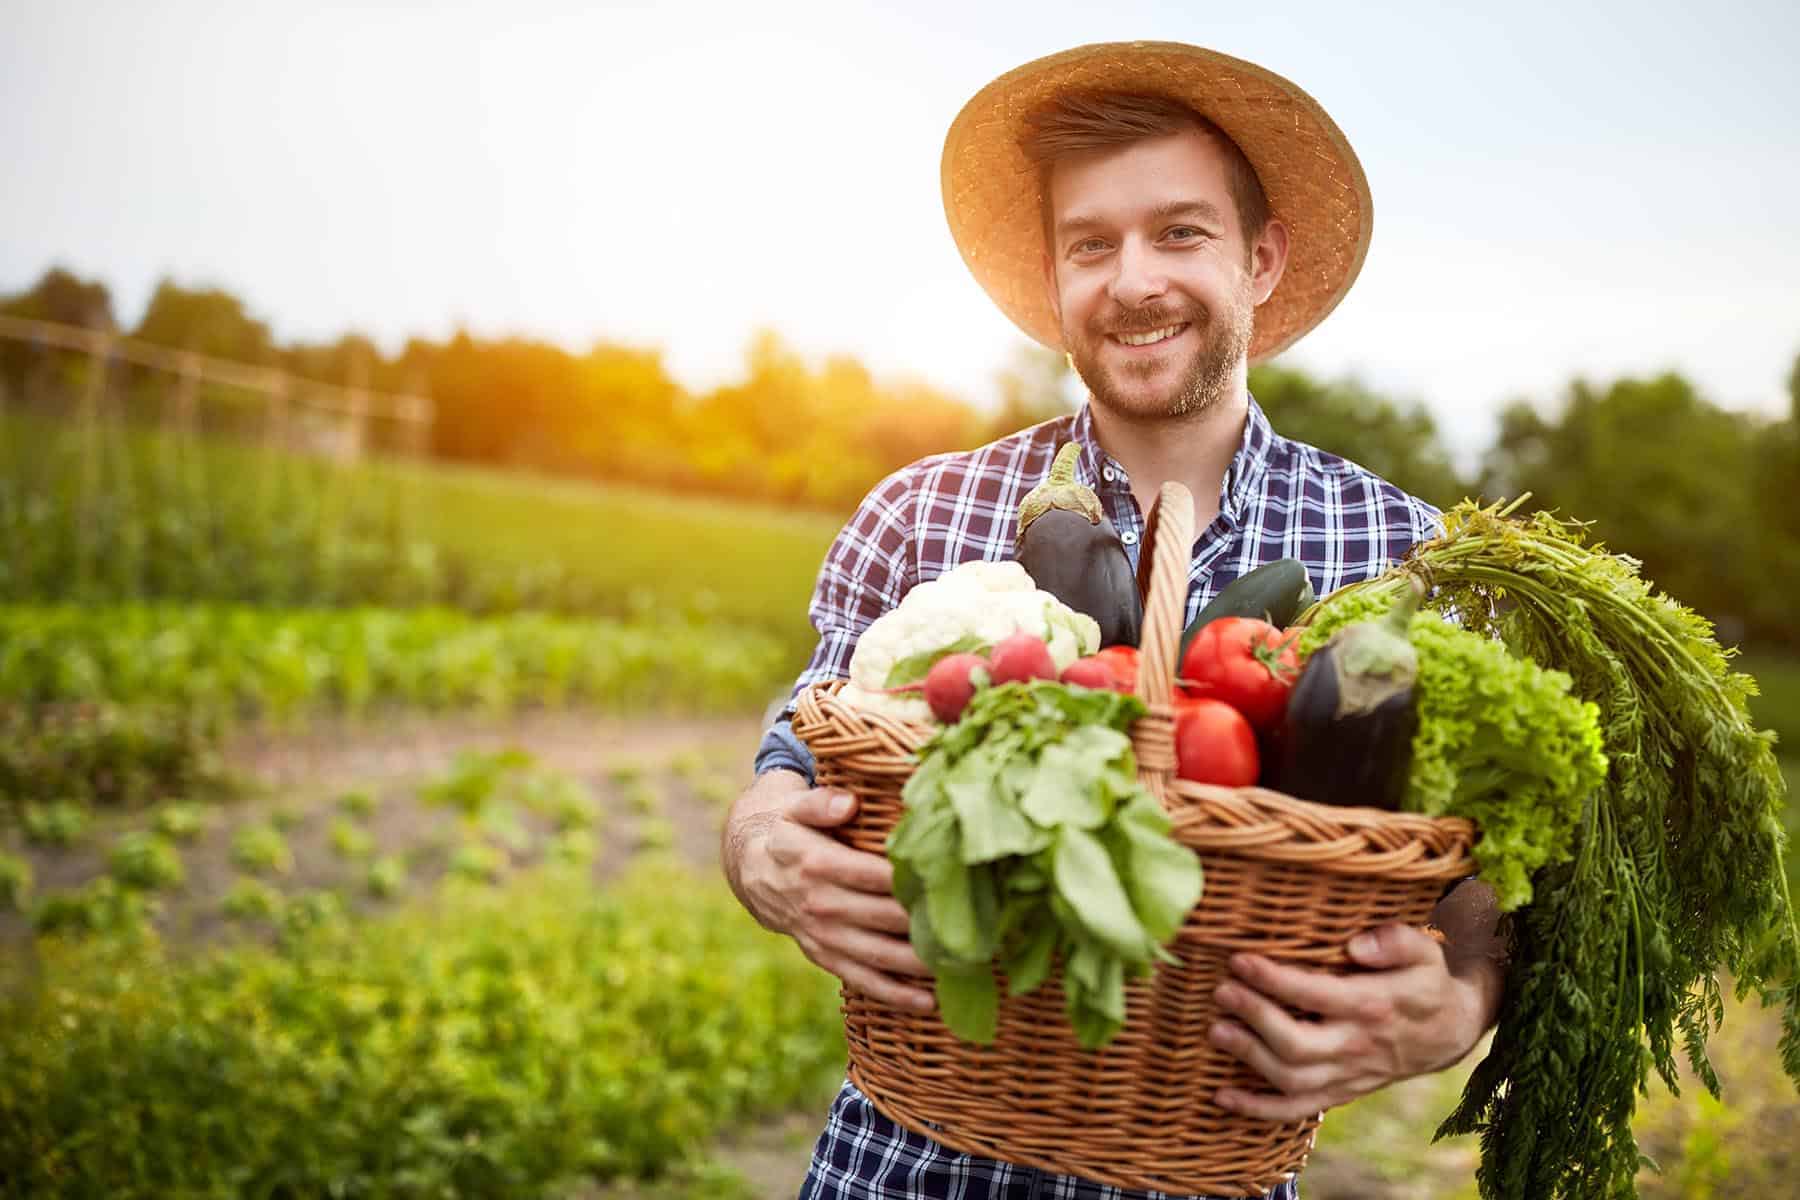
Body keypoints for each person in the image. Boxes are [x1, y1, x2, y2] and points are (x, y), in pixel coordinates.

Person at [721, 41, 1507, 1200]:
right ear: (1055, 280)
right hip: (904, 1166)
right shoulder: (919, 512)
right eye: (1092, 244)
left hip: (1213, 1172)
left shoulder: (1407, 558)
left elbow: (1493, 866)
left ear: (1263, 258)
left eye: (1180, 233)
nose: (1133, 280)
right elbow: (790, 761)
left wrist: (1462, 999)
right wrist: (760, 848)